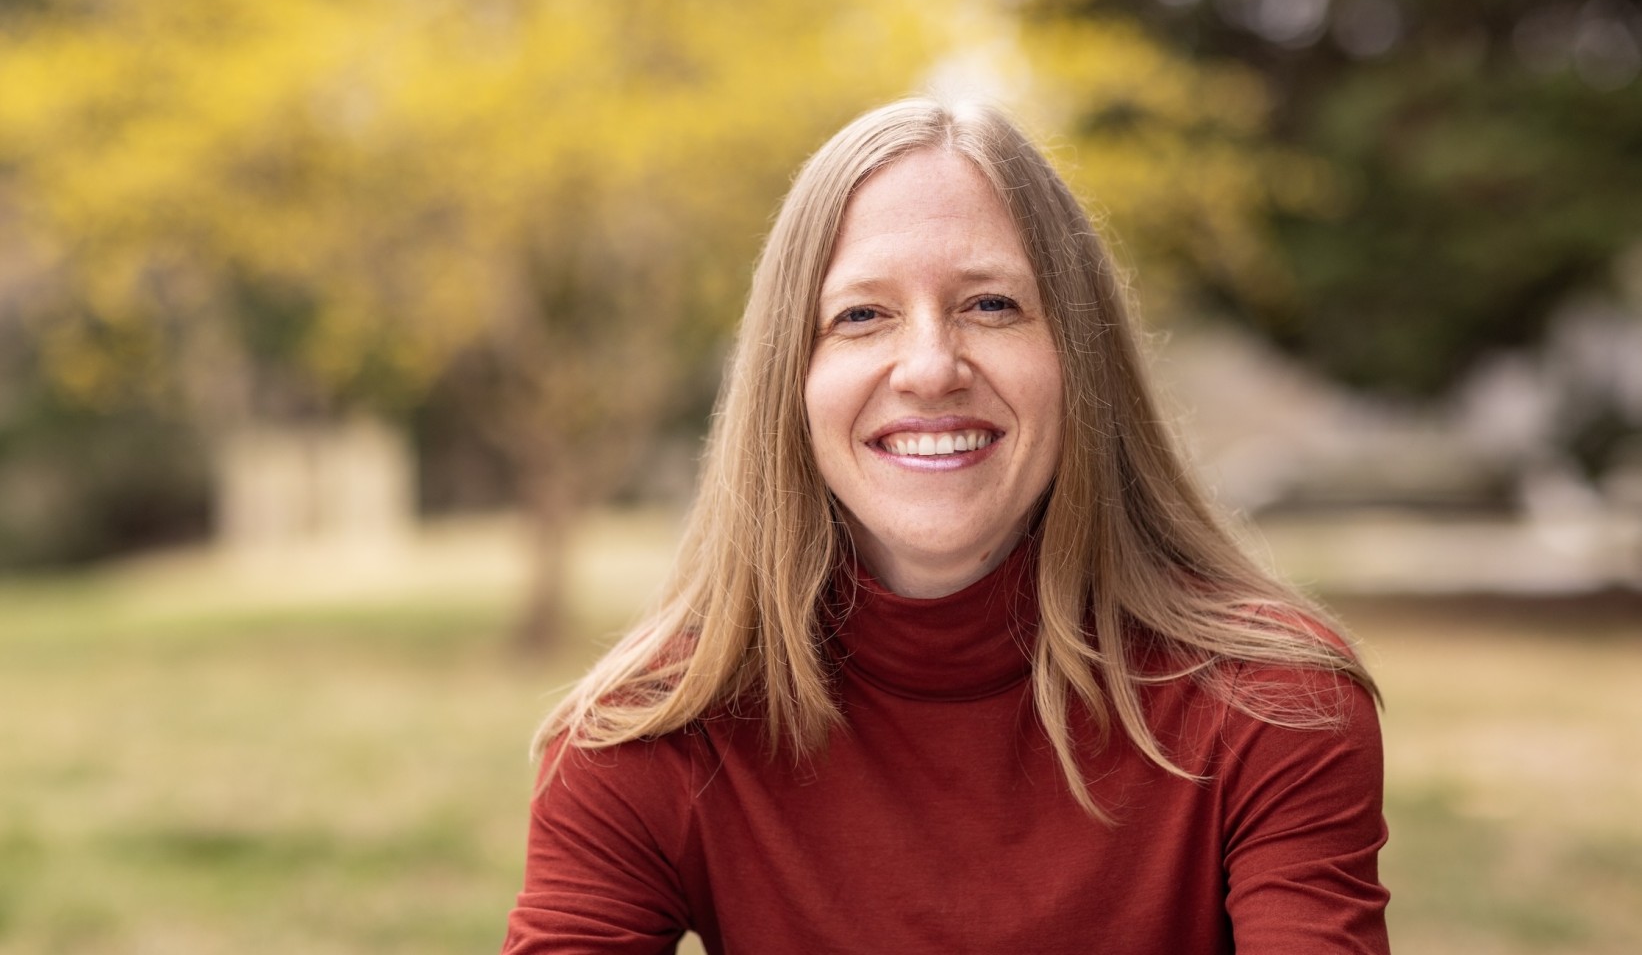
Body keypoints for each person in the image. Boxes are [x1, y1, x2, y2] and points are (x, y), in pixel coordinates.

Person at [501, 98, 1389, 954]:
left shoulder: (1267, 704)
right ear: (790, 381)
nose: (929, 367)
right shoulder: (653, 732)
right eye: (861, 316)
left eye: (990, 305)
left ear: (1082, 359)